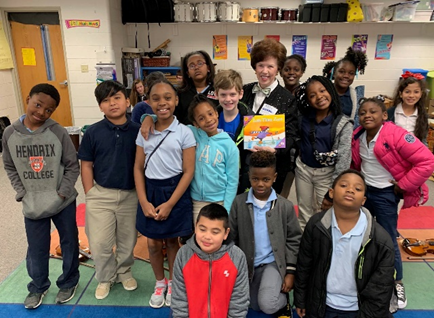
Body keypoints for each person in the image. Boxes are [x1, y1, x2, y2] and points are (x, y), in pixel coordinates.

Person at [351, 96, 434, 310]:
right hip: (365, 193)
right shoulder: (358, 136)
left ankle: (396, 283)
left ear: (384, 115)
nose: (367, 115)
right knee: (364, 234)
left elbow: (427, 161)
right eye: (362, 113)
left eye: (373, 112)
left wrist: (403, 185)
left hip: (387, 194)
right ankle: (367, 276)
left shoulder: (396, 135)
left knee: (388, 237)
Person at [2, 83, 80, 309]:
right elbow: (9, 166)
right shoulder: (10, 133)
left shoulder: (57, 131)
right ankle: (38, 286)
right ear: (28, 99)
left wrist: (63, 192)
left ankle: (69, 282)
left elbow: (72, 165)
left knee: (69, 242)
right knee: (37, 247)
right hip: (33, 202)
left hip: (63, 201)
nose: (41, 112)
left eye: (48, 110)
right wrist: (21, 191)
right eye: (38, 105)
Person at [294, 169, 395, 318]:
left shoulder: (380, 239)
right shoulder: (316, 225)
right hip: (322, 305)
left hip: (359, 309)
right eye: (343, 185)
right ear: (331, 192)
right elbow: (304, 264)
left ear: (363, 200)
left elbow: (381, 287)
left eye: (358, 188)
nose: (350, 190)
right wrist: (301, 299)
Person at [134, 78, 196, 308]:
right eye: (156, 98)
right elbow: (138, 167)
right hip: (150, 190)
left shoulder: (184, 132)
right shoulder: (144, 131)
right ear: (148, 102)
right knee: (152, 243)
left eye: (168, 98)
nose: (162, 103)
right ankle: (159, 282)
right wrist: (143, 200)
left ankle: (172, 282)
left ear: (176, 101)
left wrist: (170, 203)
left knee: (172, 241)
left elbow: (188, 171)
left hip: (175, 191)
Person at [78, 80, 141, 300]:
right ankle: (105, 277)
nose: (112, 103)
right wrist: (90, 193)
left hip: (130, 195)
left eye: (116, 98)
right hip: (100, 195)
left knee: (128, 239)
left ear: (126, 101)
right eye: (106, 100)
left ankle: (124, 271)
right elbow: (86, 164)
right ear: (100, 106)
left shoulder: (138, 130)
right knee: (99, 242)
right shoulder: (93, 132)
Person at [229, 151, 302, 317]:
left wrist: (290, 272)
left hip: (273, 264)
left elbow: (294, 240)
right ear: (249, 176)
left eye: (266, 179)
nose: (260, 184)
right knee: (253, 305)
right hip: (248, 265)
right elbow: (231, 236)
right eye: (255, 179)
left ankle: (284, 303)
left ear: (274, 177)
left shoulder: (285, 206)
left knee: (268, 305)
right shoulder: (239, 202)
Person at [241, 38, 299, 194]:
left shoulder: (288, 98)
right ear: (254, 67)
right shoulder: (243, 91)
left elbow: (292, 134)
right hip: (244, 164)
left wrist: (274, 149)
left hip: (273, 165)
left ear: (278, 68)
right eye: (260, 65)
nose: (264, 71)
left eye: (270, 66)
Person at [295, 76, 353, 230]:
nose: (319, 97)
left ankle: (324, 247)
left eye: (322, 91)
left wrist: (332, 190)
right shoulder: (303, 117)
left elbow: (343, 160)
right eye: (312, 95)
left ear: (331, 91)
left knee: (327, 213)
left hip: (327, 174)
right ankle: (305, 247)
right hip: (303, 170)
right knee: (304, 212)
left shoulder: (343, 124)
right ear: (307, 100)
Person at [171, 203, 250, 317]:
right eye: (202, 229)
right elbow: (179, 298)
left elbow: (239, 299)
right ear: (195, 226)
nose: (207, 236)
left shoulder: (237, 257)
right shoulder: (183, 255)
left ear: (226, 233)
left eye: (215, 232)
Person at [187, 94, 239, 220]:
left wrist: (226, 209)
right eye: (201, 118)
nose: (208, 120)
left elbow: (232, 181)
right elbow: (170, 124)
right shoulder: (191, 134)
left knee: (217, 237)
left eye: (210, 114)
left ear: (216, 113)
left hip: (220, 202)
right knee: (200, 237)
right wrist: (150, 118)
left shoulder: (229, 146)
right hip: (198, 202)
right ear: (196, 123)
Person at [214, 69, 254, 194]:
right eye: (223, 95)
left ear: (240, 94)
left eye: (232, 94)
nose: (228, 99)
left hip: (241, 176)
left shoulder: (251, 120)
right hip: (217, 174)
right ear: (216, 94)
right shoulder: (212, 119)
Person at [323, 47, 368, 120]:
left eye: (351, 73)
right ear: (334, 73)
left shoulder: (356, 96)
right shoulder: (324, 92)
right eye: (341, 71)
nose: (346, 76)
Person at [176, 50, 219, 125]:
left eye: (200, 63)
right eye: (192, 66)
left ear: (208, 68)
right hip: (187, 134)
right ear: (188, 73)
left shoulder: (219, 90)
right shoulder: (180, 93)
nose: (196, 68)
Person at [388, 71, 429, 144]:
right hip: (394, 151)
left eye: (416, 92)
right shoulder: (390, 113)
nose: (411, 95)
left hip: (414, 152)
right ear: (401, 94)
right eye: (407, 92)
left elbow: (423, 140)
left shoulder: (422, 115)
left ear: (421, 94)